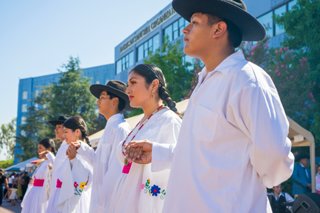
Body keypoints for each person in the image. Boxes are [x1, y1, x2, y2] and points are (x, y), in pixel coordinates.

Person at [125, 0, 294, 212]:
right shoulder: (205, 82)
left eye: (194, 22)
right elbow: (207, 152)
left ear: (218, 29)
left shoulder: (247, 80)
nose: (185, 29)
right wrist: (159, 153)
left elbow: (274, 157)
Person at [107, 64, 182, 213]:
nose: (128, 90)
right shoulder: (142, 122)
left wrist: (154, 152)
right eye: (128, 84)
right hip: (126, 201)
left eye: (133, 83)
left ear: (154, 85)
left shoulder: (169, 121)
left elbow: (181, 163)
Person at [67, 80, 131, 212]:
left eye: (102, 97)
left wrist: (103, 201)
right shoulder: (110, 128)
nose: (98, 101)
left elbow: (117, 170)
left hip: (108, 203)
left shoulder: (121, 129)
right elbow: (98, 163)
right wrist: (82, 147)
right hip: (99, 200)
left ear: (115, 101)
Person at [46, 116, 93, 213]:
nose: (63, 134)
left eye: (66, 131)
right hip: (60, 193)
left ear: (77, 132)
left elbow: (88, 176)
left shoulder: (83, 149)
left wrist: (73, 160)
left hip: (73, 197)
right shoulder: (67, 146)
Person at [21, 138, 56, 213]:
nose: (38, 150)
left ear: (49, 149)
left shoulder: (52, 161)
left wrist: (49, 154)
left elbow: (55, 167)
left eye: (40, 148)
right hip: (34, 192)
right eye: (38, 148)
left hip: (42, 194)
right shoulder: (42, 163)